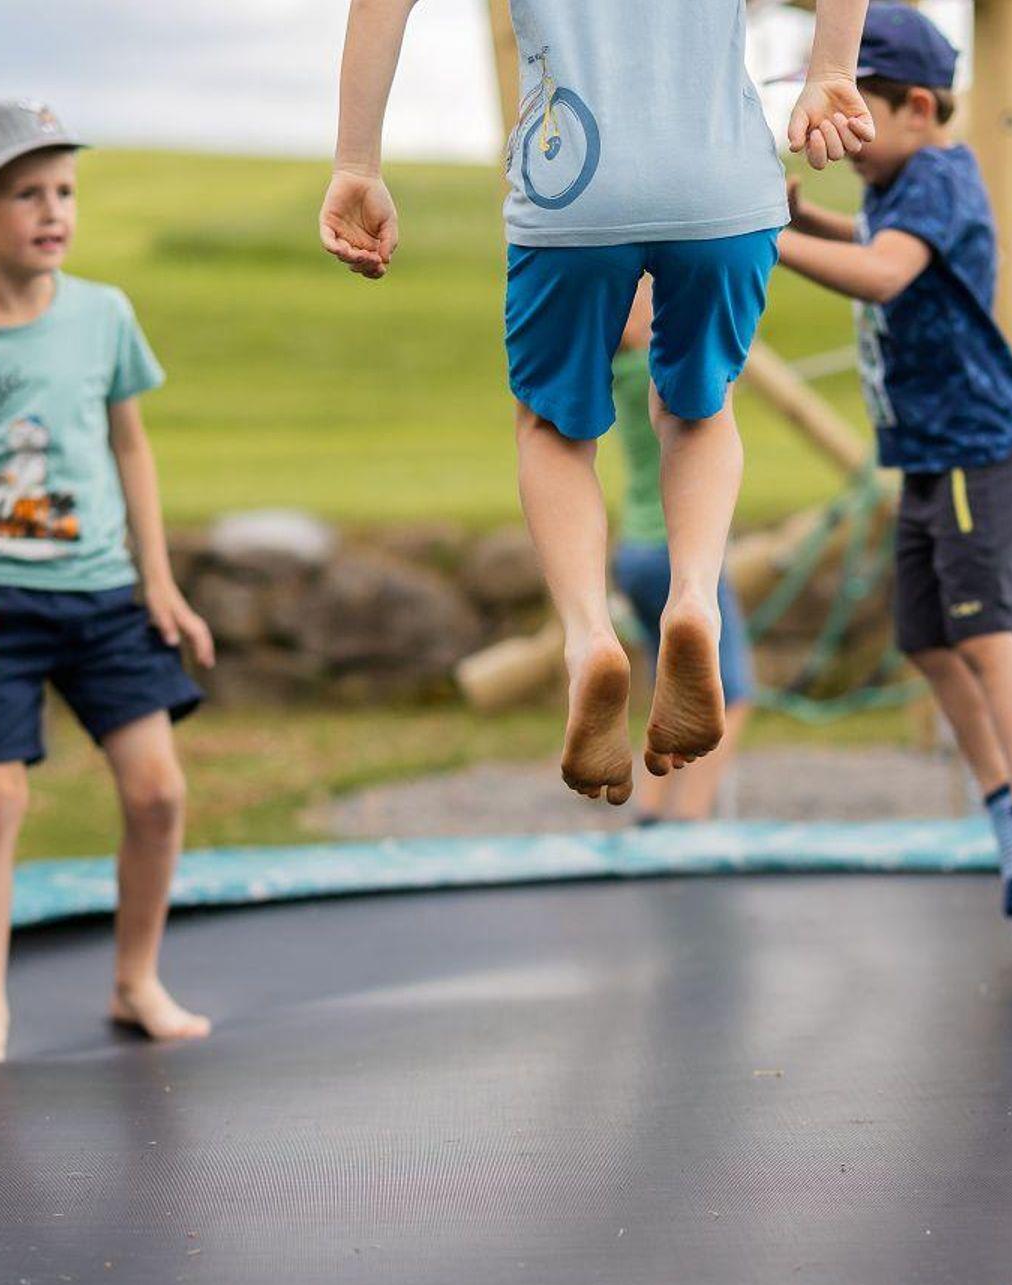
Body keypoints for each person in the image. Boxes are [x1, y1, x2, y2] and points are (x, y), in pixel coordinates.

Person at [318, 0, 873, 805]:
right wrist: (830, 71)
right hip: (720, 185)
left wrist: (357, 164)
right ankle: (696, 604)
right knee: (698, 410)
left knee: (551, 430)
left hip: (572, 187)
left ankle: (588, 643)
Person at [0, 99, 217, 1062]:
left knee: (159, 793)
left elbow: (131, 448)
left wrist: (158, 580)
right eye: (26, 194)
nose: (53, 210)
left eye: (63, 190)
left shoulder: (104, 317)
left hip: (103, 596)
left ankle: (136, 981)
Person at [774, 6, 1012, 941]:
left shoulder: (940, 178)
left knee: (987, 633)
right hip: (926, 453)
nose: (837, 139)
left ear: (914, 107)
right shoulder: (897, 182)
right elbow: (871, 239)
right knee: (928, 642)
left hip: (977, 447)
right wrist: (799, 217)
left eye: (852, 116)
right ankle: (1003, 803)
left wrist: (765, 244)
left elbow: (884, 275)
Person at [610, 283, 756, 823]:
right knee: (730, 694)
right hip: (680, 552)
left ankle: (650, 807)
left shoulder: (619, 372)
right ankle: (691, 815)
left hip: (633, 553)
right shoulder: (668, 372)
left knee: (668, 689)